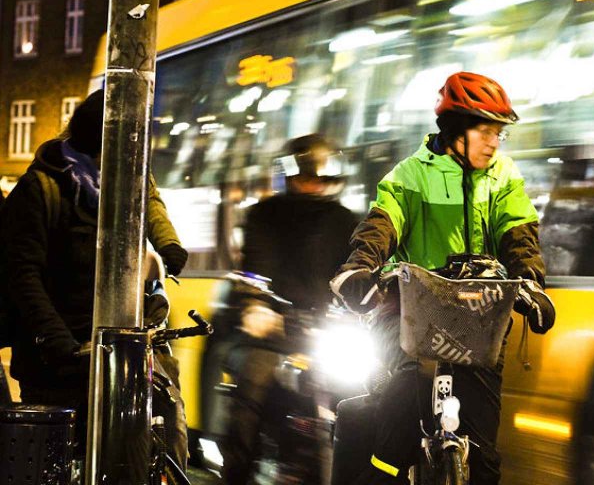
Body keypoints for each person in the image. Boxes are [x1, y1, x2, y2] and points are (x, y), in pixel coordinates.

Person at [330, 72, 556, 484]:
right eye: (485, 130)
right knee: (396, 426)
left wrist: (531, 282)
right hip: (409, 316)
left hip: (478, 317)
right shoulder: (411, 175)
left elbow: (519, 235)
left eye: (498, 133)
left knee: (485, 455)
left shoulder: (503, 175)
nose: (494, 141)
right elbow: (381, 225)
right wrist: (358, 268)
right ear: (455, 130)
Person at [0, 89, 188, 457]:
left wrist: (169, 245)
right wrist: (57, 340)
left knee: (161, 435)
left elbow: (150, 203)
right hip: (58, 360)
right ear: (99, 140)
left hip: (119, 352)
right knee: (63, 458)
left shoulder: (127, 177)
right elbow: (22, 274)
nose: (134, 155)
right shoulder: (42, 188)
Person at [221, 134, 358, 484]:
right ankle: (236, 476)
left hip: (328, 336)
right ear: (290, 177)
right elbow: (254, 269)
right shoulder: (264, 216)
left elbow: (358, 271)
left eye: (320, 178)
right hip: (273, 335)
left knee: (367, 398)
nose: (312, 185)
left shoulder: (346, 221)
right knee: (249, 399)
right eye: (305, 177)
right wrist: (256, 306)